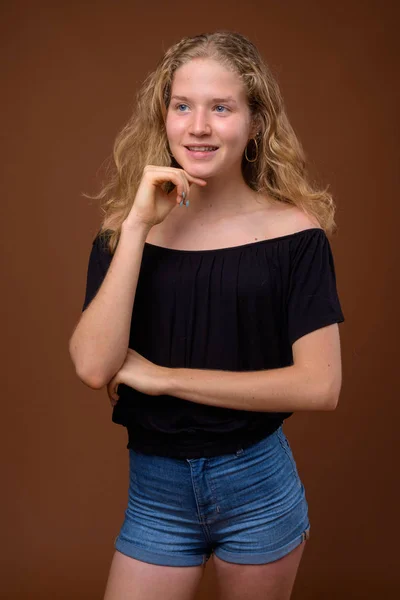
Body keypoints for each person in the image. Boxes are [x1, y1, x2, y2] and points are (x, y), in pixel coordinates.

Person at [69, 31, 345, 600]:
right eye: (182, 106)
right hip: (155, 493)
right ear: (163, 116)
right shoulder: (126, 232)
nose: (198, 126)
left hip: (257, 487)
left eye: (221, 107)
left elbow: (321, 385)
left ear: (255, 122)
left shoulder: (297, 237)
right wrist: (140, 227)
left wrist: (166, 378)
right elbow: (95, 367)